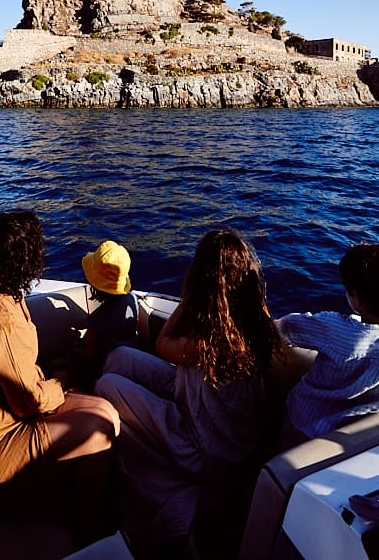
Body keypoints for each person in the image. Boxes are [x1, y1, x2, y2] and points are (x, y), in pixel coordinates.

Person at [94, 228, 282, 553]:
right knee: (119, 358)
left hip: (204, 446)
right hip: (199, 401)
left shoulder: (212, 343)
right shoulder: (255, 318)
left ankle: (132, 474)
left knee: (105, 385)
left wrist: (191, 295)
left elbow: (163, 342)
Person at [0, 211, 120, 546]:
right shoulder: (1, 318)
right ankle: (91, 537)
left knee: (106, 411)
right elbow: (30, 403)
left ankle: (86, 507)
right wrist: (59, 380)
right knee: (97, 433)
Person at [277, 243, 379, 445]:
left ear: (356, 300)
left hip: (305, 423)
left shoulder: (335, 327)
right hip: (359, 432)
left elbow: (285, 327)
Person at [75, 240, 137, 386]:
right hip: (131, 368)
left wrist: (77, 348)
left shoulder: (96, 320)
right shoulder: (132, 300)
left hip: (106, 373)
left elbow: (90, 354)